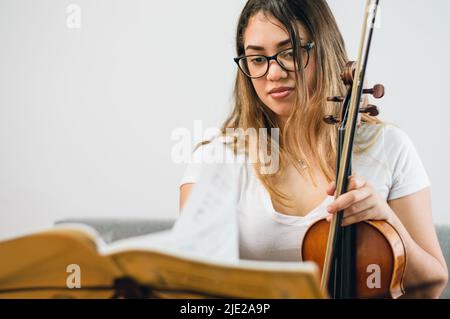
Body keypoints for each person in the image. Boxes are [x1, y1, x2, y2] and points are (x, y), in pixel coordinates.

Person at [179, 0, 447, 298]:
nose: (274, 73)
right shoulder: (215, 159)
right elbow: (192, 291)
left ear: (325, 50)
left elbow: (431, 286)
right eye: (257, 59)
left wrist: (389, 222)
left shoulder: (389, 147)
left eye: (291, 52)